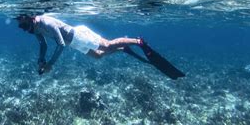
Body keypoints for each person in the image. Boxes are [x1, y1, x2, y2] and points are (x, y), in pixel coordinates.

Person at [16, 14, 185, 79]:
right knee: (98, 56)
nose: (33, 32)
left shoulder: (46, 22)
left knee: (107, 45)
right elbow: (43, 44)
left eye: (32, 28)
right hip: (75, 43)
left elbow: (60, 44)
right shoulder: (35, 29)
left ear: (33, 20)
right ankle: (123, 49)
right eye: (30, 31)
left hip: (78, 36)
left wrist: (50, 64)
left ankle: (138, 41)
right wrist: (41, 60)